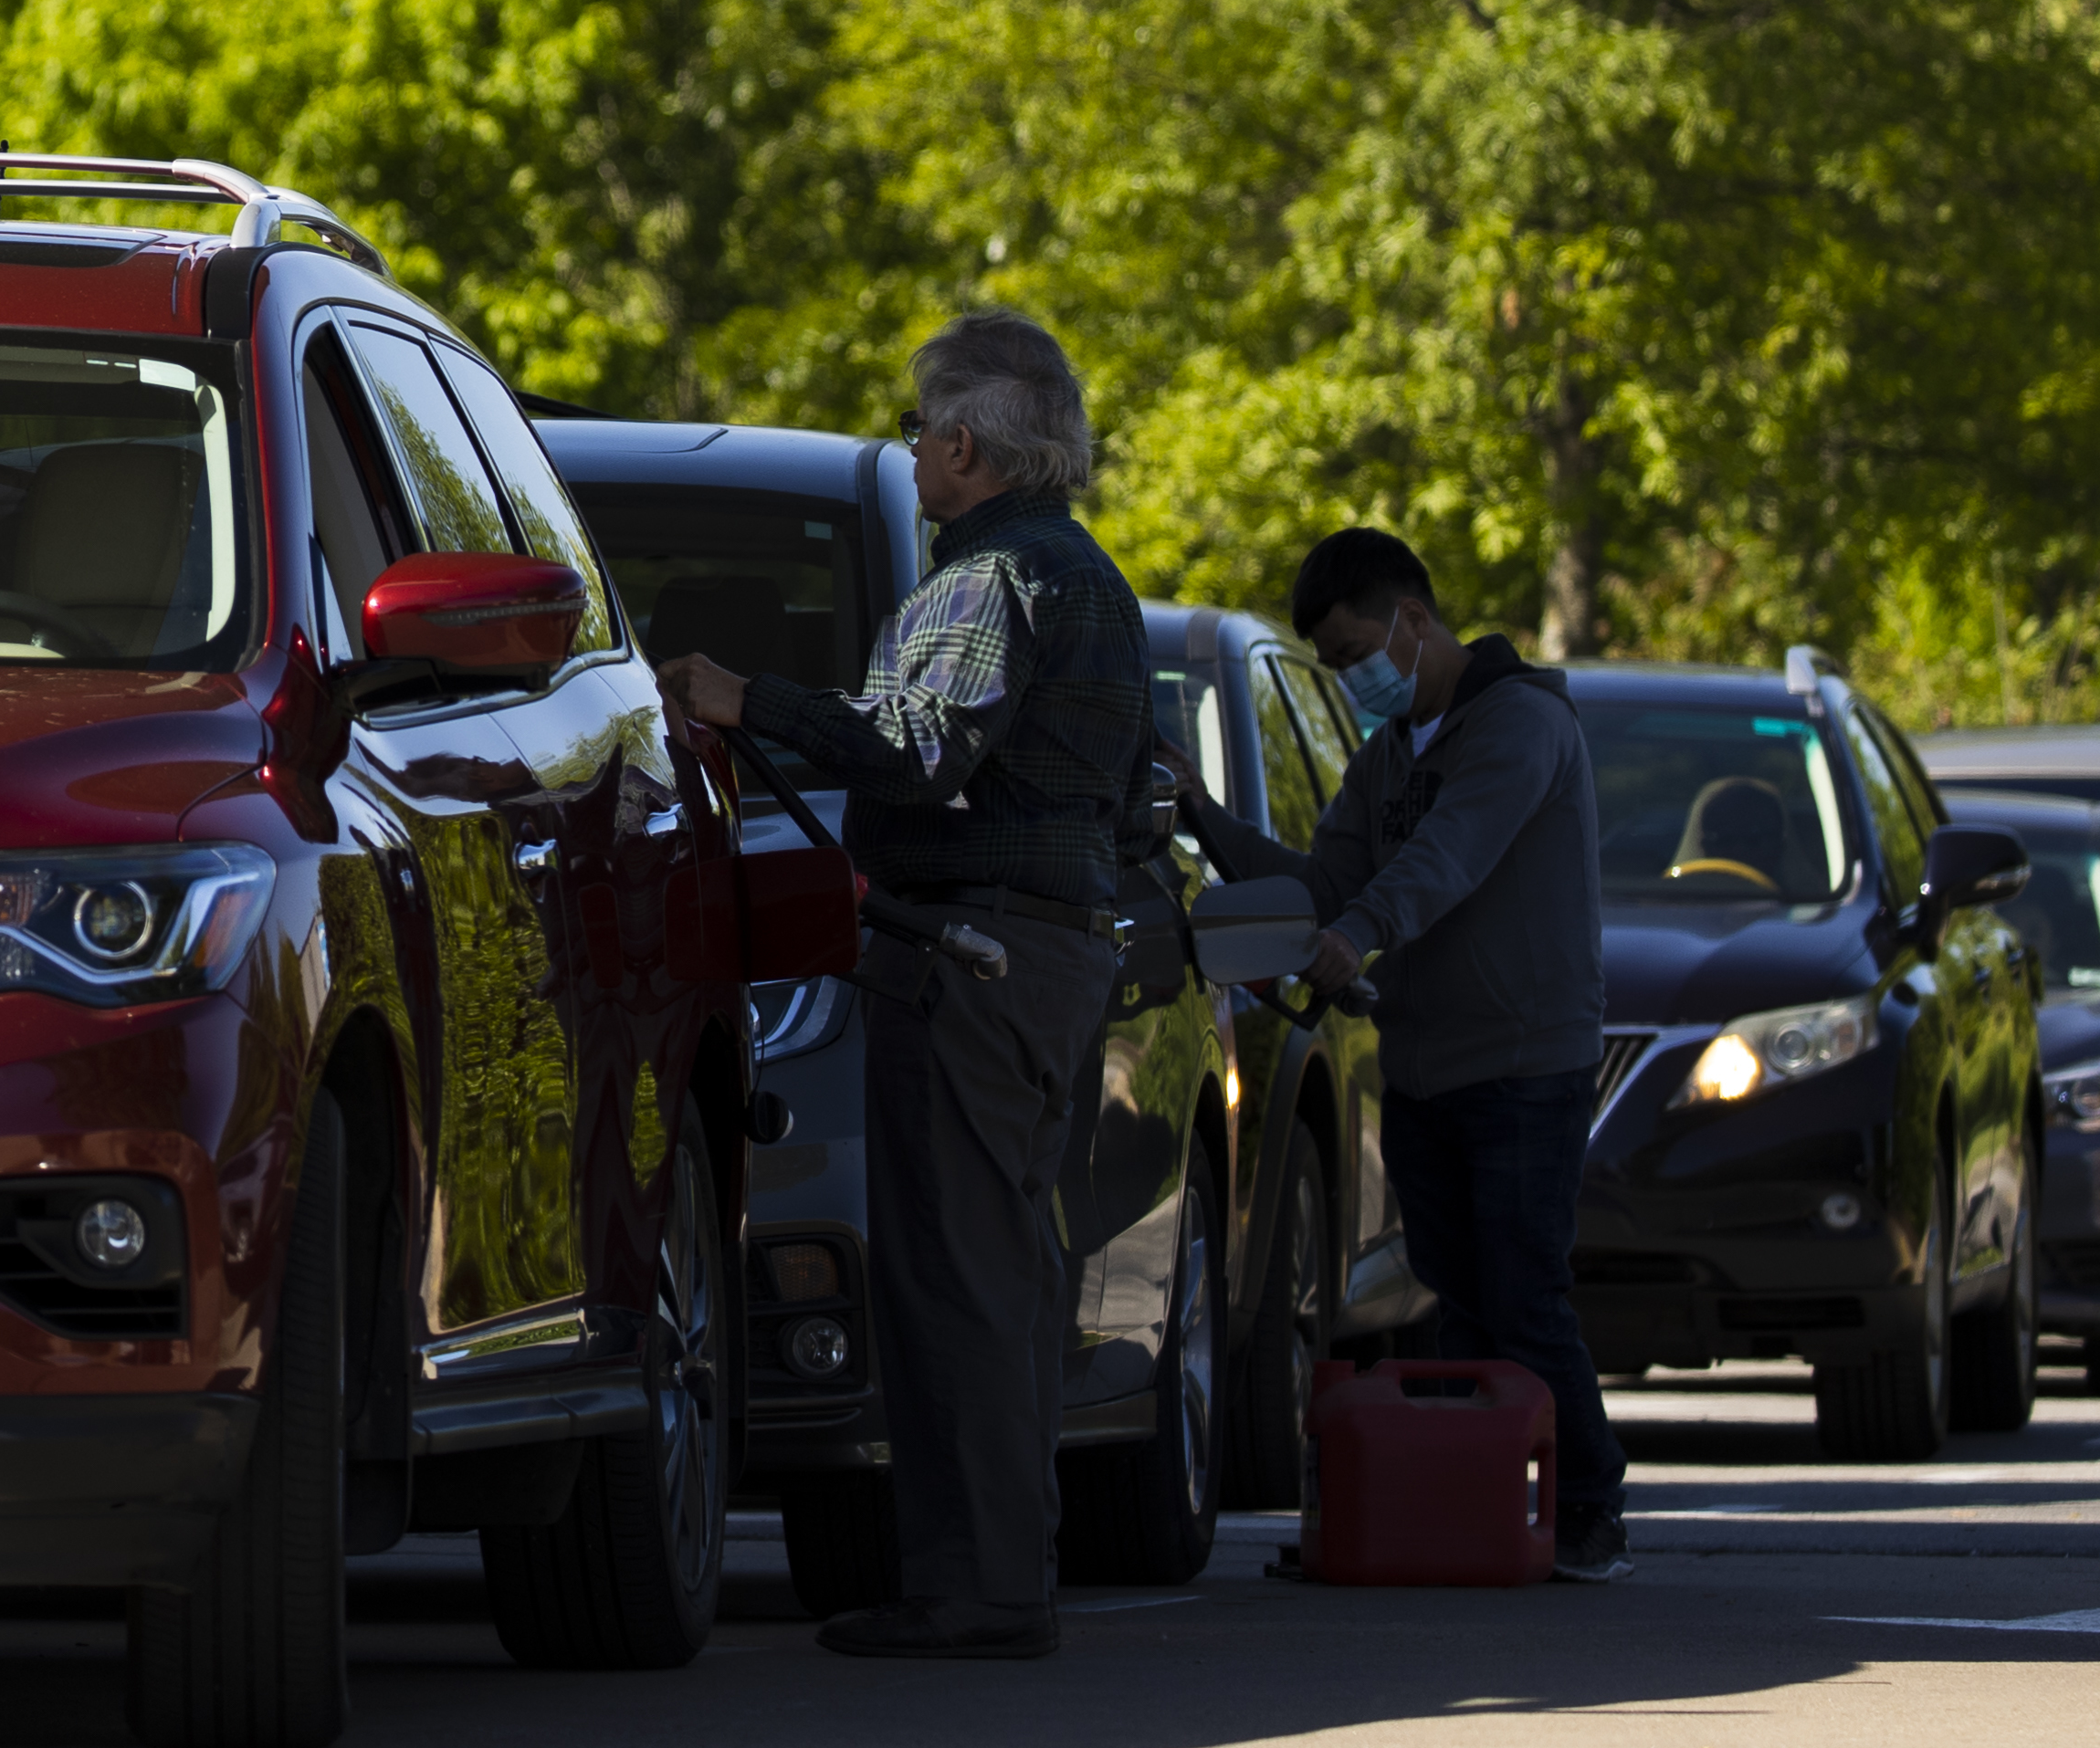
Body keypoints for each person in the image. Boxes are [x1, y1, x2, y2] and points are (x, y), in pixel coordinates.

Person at [657, 312, 1148, 1660]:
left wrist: (743, 700)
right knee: (994, 1270)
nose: (911, 446)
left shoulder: (989, 582)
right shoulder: (1084, 574)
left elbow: (918, 749)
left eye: (922, 424)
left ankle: (980, 1587)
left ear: (966, 446)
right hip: (1031, 957)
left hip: (967, 964)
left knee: (960, 1279)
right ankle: (982, 1569)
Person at [1174, 526, 1628, 1581]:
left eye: (1351, 653)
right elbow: (1319, 883)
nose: (1349, 679)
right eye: (1332, 665)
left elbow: (1447, 857)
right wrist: (1200, 817)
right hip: (1426, 1065)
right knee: (1459, 1305)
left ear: (1412, 622)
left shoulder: (1521, 726)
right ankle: (1482, 1508)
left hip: (1522, 1065)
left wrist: (1357, 935)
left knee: (1522, 1294)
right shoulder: (1388, 757)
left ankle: (1589, 1505)